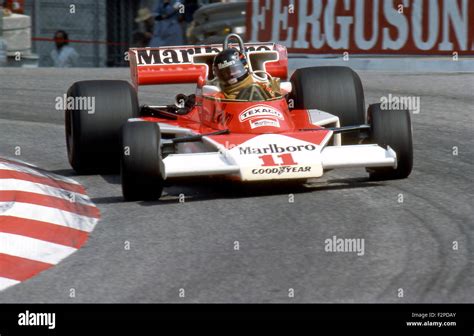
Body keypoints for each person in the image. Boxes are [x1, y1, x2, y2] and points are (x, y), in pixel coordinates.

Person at [212, 48, 281, 100]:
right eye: (224, 73)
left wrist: (276, 93)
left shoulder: (263, 87)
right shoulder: (219, 98)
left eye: (234, 70)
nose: (230, 75)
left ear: (245, 67)